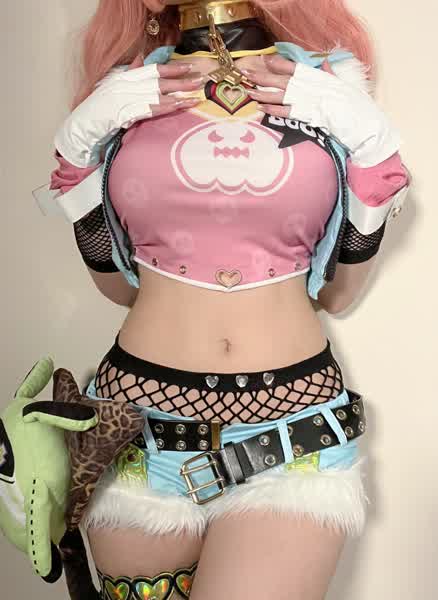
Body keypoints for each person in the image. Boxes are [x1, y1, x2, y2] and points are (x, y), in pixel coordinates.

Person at [41, 0, 411, 598]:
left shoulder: (325, 90)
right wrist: (77, 162)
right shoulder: (126, 95)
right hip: (135, 432)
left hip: (293, 434)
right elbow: (117, 287)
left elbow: (338, 295)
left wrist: (374, 158)